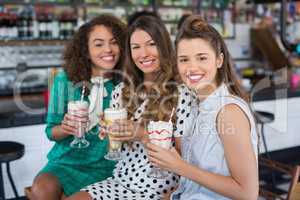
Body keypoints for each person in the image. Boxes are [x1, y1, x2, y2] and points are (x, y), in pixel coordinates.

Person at [66, 15, 194, 200]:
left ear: (164, 46)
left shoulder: (182, 93)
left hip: (158, 189)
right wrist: (108, 132)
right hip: (120, 181)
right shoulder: (121, 91)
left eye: (151, 44)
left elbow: (186, 159)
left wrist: (142, 134)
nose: (143, 54)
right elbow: (116, 148)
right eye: (136, 47)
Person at [146, 15, 259, 200]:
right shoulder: (196, 105)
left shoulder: (228, 112)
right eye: (184, 60)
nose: (191, 67)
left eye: (202, 58)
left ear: (219, 60)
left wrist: (180, 167)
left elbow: (248, 193)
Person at [30, 14, 126, 200]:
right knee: (42, 189)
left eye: (114, 42)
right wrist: (65, 128)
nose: (108, 49)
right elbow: (51, 131)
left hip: (110, 165)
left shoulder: (125, 82)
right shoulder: (65, 80)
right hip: (67, 162)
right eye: (98, 44)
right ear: (86, 50)